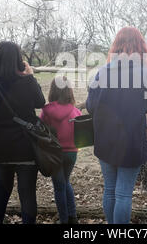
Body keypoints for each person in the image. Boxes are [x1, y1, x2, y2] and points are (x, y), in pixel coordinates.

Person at [86, 27, 147, 224]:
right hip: (132, 140)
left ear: (115, 47)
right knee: (123, 194)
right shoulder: (145, 74)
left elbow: (90, 107)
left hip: (105, 139)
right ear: (141, 48)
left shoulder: (101, 73)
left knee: (110, 190)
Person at [0, 41, 46, 224]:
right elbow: (40, 102)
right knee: (27, 194)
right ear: (19, 61)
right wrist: (30, 77)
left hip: (0, 149)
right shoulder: (27, 84)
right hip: (26, 147)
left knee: (1, 190)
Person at [40, 76, 82, 224]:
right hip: (72, 153)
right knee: (65, 182)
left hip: (54, 153)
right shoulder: (76, 112)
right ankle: (73, 217)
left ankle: (64, 220)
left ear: (53, 90)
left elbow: (41, 130)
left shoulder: (47, 110)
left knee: (59, 187)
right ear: (69, 91)